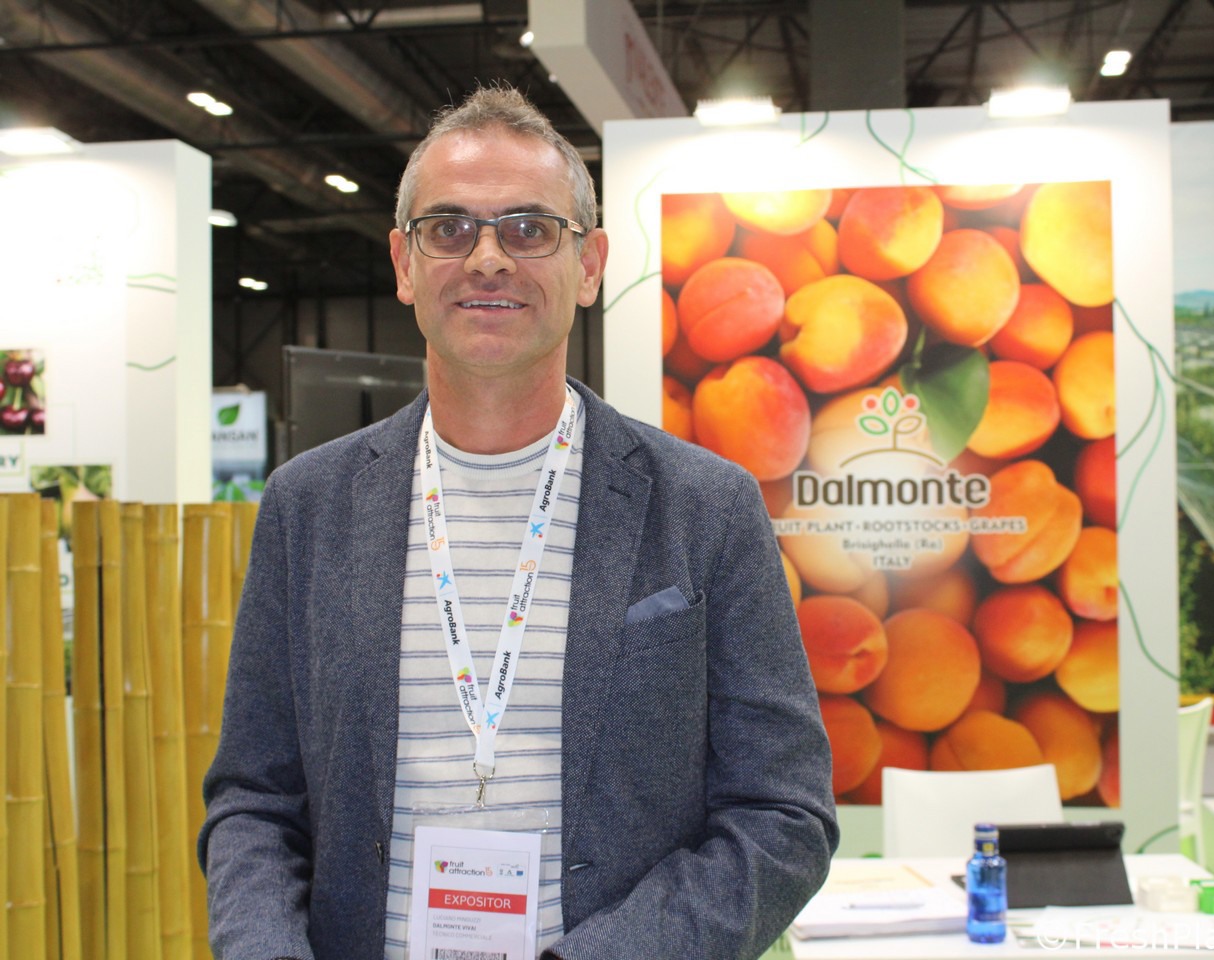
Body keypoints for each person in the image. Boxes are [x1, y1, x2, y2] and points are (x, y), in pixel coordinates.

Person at [199, 83, 838, 960]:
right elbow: (254, 803)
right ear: (403, 263)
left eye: (530, 228)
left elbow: (782, 814)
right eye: (450, 228)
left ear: (590, 264)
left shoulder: (706, 507)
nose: (489, 258)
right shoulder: (307, 506)